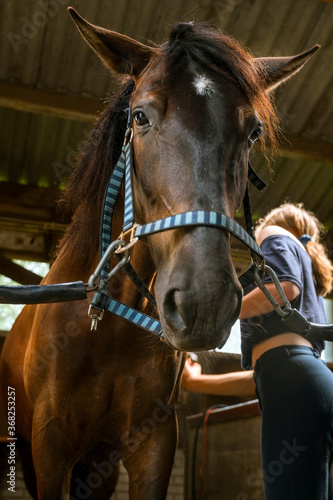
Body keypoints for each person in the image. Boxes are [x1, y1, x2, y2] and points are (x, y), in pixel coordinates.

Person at [182, 202, 333, 500]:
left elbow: (284, 288)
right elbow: (268, 374)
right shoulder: (308, 281)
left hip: (294, 383)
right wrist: (196, 382)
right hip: (310, 383)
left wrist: (219, 311)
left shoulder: (271, 231)